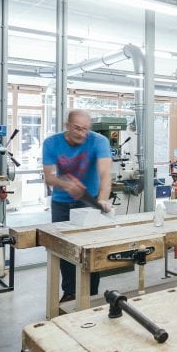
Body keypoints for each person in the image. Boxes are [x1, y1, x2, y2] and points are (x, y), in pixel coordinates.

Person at [43, 110, 112, 303]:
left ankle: (91, 293)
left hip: (88, 201)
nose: (82, 133)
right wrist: (66, 184)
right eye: (77, 128)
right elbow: (49, 177)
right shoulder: (51, 143)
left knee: (92, 247)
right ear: (67, 125)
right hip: (61, 204)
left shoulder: (99, 141)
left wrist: (102, 199)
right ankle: (70, 291)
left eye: (85, 129)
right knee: (64, 248)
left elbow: (105, 174)